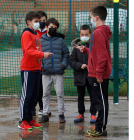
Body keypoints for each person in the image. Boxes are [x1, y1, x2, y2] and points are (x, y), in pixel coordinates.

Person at [75, 5, 112, 137]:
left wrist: (99, 74)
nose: (91, 20)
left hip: (98, 75)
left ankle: (100, 129)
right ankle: (100, 127)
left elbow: (102, 56)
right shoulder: (100, 32)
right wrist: (85, 50)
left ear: (96, 18)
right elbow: (97, 53)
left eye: (91, 18)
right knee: (99, 101)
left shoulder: (98, 32)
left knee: (100, 102)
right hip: (96, 73)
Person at [18, 11, 53, 130]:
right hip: (28, 69)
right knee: (26, 96)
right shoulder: (26, 34)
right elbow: (28, 50)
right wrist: (42, 54)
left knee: (34, 95)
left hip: (37, 68)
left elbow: (37, 50)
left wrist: (40, 61)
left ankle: (30, 119)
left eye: (39, 21)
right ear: (29, 22)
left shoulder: (36, 35)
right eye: (36, 21)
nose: (39, 23)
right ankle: (22, 120)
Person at [38, 18, 69, 123]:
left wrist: (63, 65)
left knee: (60, 93)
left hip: (58, 72)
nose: (53, 29)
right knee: (45, 94)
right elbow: (38, 55)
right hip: (46, 72)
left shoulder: (60, 41)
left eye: (55, 28)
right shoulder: (41, 40)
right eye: (51, 27)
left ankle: (61, 114)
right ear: (46, 27)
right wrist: (42, 66)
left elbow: (66, 54)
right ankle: (45, 114)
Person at [69, 25, 97, 123]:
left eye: (86, 34)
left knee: (93, 96)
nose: (84, 36)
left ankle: (93, 114)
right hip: (79, 76)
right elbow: (71, 61)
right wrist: (80, 65)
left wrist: (90, 65)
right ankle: (81, 113)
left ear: (90, 35)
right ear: (79, 35)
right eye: (82, 34)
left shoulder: (93, 45)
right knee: (80, 96)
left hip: (91, 76)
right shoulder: (76, 47)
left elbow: (97, 59)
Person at [33, 11, 51, 116]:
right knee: (36, 86)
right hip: (36, 62)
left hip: (46, 62)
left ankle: (43, 107)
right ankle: (33, 108)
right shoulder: (34, 32)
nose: (41, 22)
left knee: (44, 87)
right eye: (39, 21)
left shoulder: (48, 32)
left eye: (44, 20)